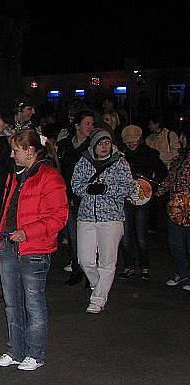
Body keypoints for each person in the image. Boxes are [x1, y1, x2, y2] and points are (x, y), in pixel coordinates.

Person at [0, 129, 68, 371]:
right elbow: (7, 210)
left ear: (30, 150)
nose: (12, 155)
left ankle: (35, 353)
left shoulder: (50, 177)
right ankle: (15, 350)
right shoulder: (15, 176)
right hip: (9, 245)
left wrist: (28, 232)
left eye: (16, 150)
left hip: (34, 248)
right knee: (12, 303)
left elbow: (59, 217)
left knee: (33, 303)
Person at [72, 129, 136, 313]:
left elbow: (128, 187)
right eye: (100, 143)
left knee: (107, 262)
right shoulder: (84, 161)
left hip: (111, 218)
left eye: (107, 142)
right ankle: (98, 285)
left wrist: (106, 189)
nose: (104, 146)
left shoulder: (120, 162)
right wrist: (89, 189)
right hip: (86, 217)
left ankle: (98, 299)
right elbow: (75, 184)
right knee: (85, 260)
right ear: (93, 145)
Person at [118, 125, 167, 279]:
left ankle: (145, 265)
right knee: (125, 235)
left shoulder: (149, 154)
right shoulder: (121, 156)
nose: (131, 144)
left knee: (140, 235)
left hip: (142, 198)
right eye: (128, 142)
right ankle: (129, 266)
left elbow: (162, 171)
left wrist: (150, 186)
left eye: (134, 141)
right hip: (126, 197)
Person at [57, 110, 95, 285]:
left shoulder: (93, 146)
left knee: (88, 235)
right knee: (72, 235)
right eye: (87, 123)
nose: (90, 127)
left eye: (92, 124)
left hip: (86, 196)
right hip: (67, 194)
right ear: (77, 126)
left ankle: (90, 272)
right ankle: (76, 269)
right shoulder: (65, 144)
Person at [156, 148, 190, 289]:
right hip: (176, 206)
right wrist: (158, 192)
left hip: (187, 205)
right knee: (174, 242)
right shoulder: (179, 158)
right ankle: (182, 272)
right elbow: (170, 179)